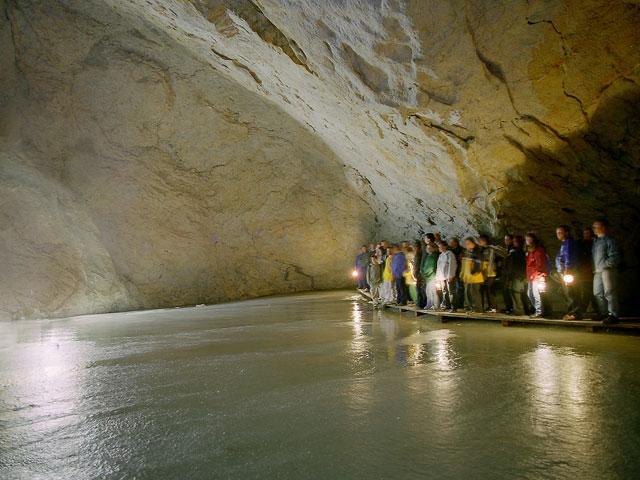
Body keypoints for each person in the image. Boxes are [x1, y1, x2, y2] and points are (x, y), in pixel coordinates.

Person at [592, 219, 622, 324]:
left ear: (603, 227)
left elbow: (615, 256)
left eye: (596, 226)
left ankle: (613, 315)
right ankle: (604, 313)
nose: (594, 228)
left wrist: (605, 265)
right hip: (598, 271)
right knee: (597, 293)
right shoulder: (596, 242)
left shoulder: (610, 240)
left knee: (609, 292)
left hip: (607, 270)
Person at [555, 225, 582, 320]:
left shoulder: (569, 243)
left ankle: (574, 314)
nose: (558, 234)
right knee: (568, 292)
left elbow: (569, 256)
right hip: (565, 271)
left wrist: (567, 269)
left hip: (569, 272)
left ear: (566, 233)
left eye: (560, 232)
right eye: (557, 233)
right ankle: (572, 312)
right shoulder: (564, 243)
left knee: (571, 292)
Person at [525, 232, 549, 318]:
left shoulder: (539, 251)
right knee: (530, 293)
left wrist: (538, 275)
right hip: (530, 276)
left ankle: (539, 312)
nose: (527, 241)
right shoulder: (529, 251)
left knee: (536, 294)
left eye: (528, 239)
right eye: (526, 239)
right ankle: (538, 310)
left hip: (537, 276)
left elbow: (540, 265)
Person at [502, 235, 527, 315]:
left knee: (517, 293)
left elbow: (519, 265)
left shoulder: (519, 253)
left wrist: (520, 276)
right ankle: (517, 310)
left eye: (515, 241)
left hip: (517, 276)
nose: (513, 243)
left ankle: (520, 310)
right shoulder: (513, 251)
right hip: (513, 275)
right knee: (514, 293)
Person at [460, 237, 484, 312]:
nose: (467, 245)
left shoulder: (477, 252)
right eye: (466, 244)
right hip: (468, 277)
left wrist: (474, 271)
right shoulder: (468, 252)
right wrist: (463, 274)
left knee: (475, 293)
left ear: (473, 243)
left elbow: (479, 264)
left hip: (475, 277)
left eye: (468, 243)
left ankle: (478, 309)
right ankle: (471, 308)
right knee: (468, 293)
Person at [478, 235, 501, 313]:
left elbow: (490, 261)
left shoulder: (490, 249)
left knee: (489, 290)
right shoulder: (482, 250)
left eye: (480, 241)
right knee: (485, 290)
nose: (479, 242)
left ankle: (494, 307)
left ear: (484, 241)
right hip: (484, 273)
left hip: (490, 273)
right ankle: (489, 306)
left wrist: (489, 272)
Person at [577, 227, 595, 314]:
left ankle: (584, 310)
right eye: (584, 233)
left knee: (592, 292)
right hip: (584, 272)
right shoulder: (580, 244)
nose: (586, 235)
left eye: (588, 233)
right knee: (586, 291)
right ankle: (583, 310)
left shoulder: (594, 244)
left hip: (592, 271)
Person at [436, 240, 458, 311]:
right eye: (439, 247)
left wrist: (451, 275)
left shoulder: (449, 254)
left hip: (448, 276)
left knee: (451, 292)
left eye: (441, 246)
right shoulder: (441, 255)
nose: (439, 248)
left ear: (445, 246)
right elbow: (438, 267)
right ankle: (447, 305)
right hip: (442, 277)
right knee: (444, 291)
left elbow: (452, 265)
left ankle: (454, 307)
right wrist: (438, 278)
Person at [421, 243, 440, 309]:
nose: (427, 249)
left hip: (432, 277)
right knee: (428, 291)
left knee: (433, 292)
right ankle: (429, 304)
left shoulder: (434, 256)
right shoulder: (429, 256)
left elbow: (432, 267)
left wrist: (426, 273)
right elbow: (426, 266)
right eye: (427, 248)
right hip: (428, 277)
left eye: (429, 248)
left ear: (434, 248)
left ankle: (435, 305)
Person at [449, 237, 465, 309]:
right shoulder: (451, 250)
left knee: (460, 287)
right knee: (455, 288)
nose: (450, 244)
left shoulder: (460, 250)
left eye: (452, 242)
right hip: (454, 271)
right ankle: (456, 303)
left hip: (459, 270)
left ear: (456, 242)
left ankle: (460, 303)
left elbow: (461, 260)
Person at [501, 235, 515, 313]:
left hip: (509, 274)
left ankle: (511, 308)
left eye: (507, 240)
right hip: (505, 273)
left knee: (508, 291)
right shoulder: (507, 249)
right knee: (505, 291)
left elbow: (510, 263)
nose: (506, 241)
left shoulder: (512, 250)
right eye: (505, 240)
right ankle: (508, 307)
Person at [413, 240, 427, 309]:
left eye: (415, 247)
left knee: (420, 289)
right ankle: (420, 303)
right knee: (420, 289)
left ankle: (421, 303)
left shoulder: (419, 254)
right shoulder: (419, 254)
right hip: (419, 273)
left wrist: (415, 272)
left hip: (419, 274)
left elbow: (417, 265)